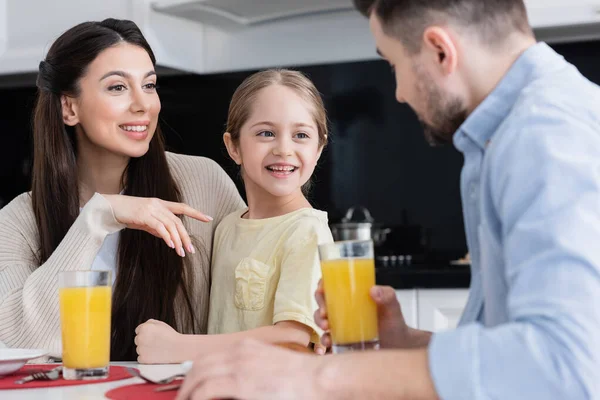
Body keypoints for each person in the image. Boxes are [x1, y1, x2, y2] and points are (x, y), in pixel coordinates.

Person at [175, 0, 600, 399]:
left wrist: (316, 376)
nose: (397, 92)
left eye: (394, 63)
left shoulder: (547, 137)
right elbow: (515, 350)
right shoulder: (506, 135)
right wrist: (408, 343)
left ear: (439, 51)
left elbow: (565, 364)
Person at [0, 18, 244, 361]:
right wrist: (96, 218)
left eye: (149, 85)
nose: (143, 104)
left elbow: (262, 285)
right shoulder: (15, 223)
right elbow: (21, 344)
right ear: (69, 107)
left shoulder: (202, 181)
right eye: (117, 87)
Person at [134, 69, 333, 363]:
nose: (284, 149)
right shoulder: (227, 226)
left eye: (301, 135)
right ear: (234, 146)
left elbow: (292, 339)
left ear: (318, 149)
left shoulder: (307, 230)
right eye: (266, 133)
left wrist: (178, 347)